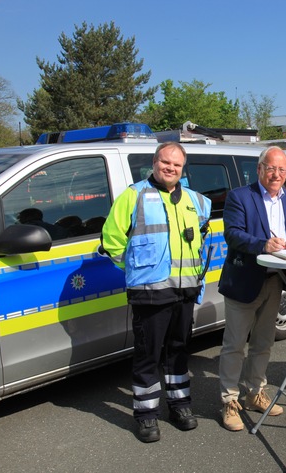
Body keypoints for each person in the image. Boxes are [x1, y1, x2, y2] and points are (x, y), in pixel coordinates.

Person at [101, 142, 211, 443]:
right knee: (148, 354)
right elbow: (111, 240)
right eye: (165, 162)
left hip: (185, 290)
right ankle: (146, 415)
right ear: (154, 162)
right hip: (149, 293)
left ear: (182, 168)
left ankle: (180, 406)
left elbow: (200, 237)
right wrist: (135, 268)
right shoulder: (133, 196)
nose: (170, 168)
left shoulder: (196, 201)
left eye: (176, 165)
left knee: (178, 351)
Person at [217, 146, 286, 432]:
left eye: (282, 170)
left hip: (275, 282)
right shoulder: (240, 196)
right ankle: (229, 401)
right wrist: (262, 245)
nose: (277, 174)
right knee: (234, 345)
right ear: (259, 169)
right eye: (271, 168)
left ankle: (255, 392)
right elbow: (232, 233)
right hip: (245, 281)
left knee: (263, 343)